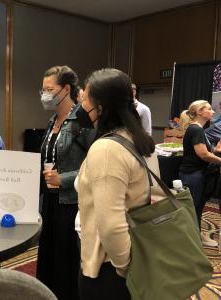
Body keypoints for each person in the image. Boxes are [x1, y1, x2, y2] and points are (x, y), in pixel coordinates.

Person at [77, 68, 155, 299]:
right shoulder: (134, 138)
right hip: (135, 253)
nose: (81, 106)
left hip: (109, 268)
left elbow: (111, 224)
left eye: (85, 100)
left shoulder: (107, 149)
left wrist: (124, 269)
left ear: (100, 106)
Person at [36, 65, 96, 300]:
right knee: (49, 251)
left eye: (49, 89)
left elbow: (96, 164)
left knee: (66, 257)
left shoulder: (83, 119)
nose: (44, 95)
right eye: (42, 90)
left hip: (72, 201)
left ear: (66, 89)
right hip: (50, 199)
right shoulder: (52, 120)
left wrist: (65, 179)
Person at [179, 100, 221, 247]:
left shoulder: (197, 129)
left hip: (195, 174)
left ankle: (196, 235)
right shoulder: (196, 130)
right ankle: (194, 240)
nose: (213, 112)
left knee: (195, 206)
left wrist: (215, 151)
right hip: (193, 174)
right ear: (200, 112)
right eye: (209, 109)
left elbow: (206, 152)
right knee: (193, 207)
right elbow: (203, 155)